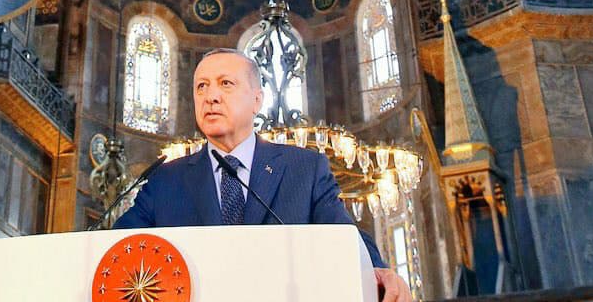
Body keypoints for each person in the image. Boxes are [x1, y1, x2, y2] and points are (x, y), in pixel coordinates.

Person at [114, 48, 413, 302]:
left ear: (257, 100)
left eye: (225, 83)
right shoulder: (165, 180)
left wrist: (377, 270)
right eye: (201, 86)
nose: (210, 96)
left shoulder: (304, 169)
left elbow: (344, 235)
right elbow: (116, 251)